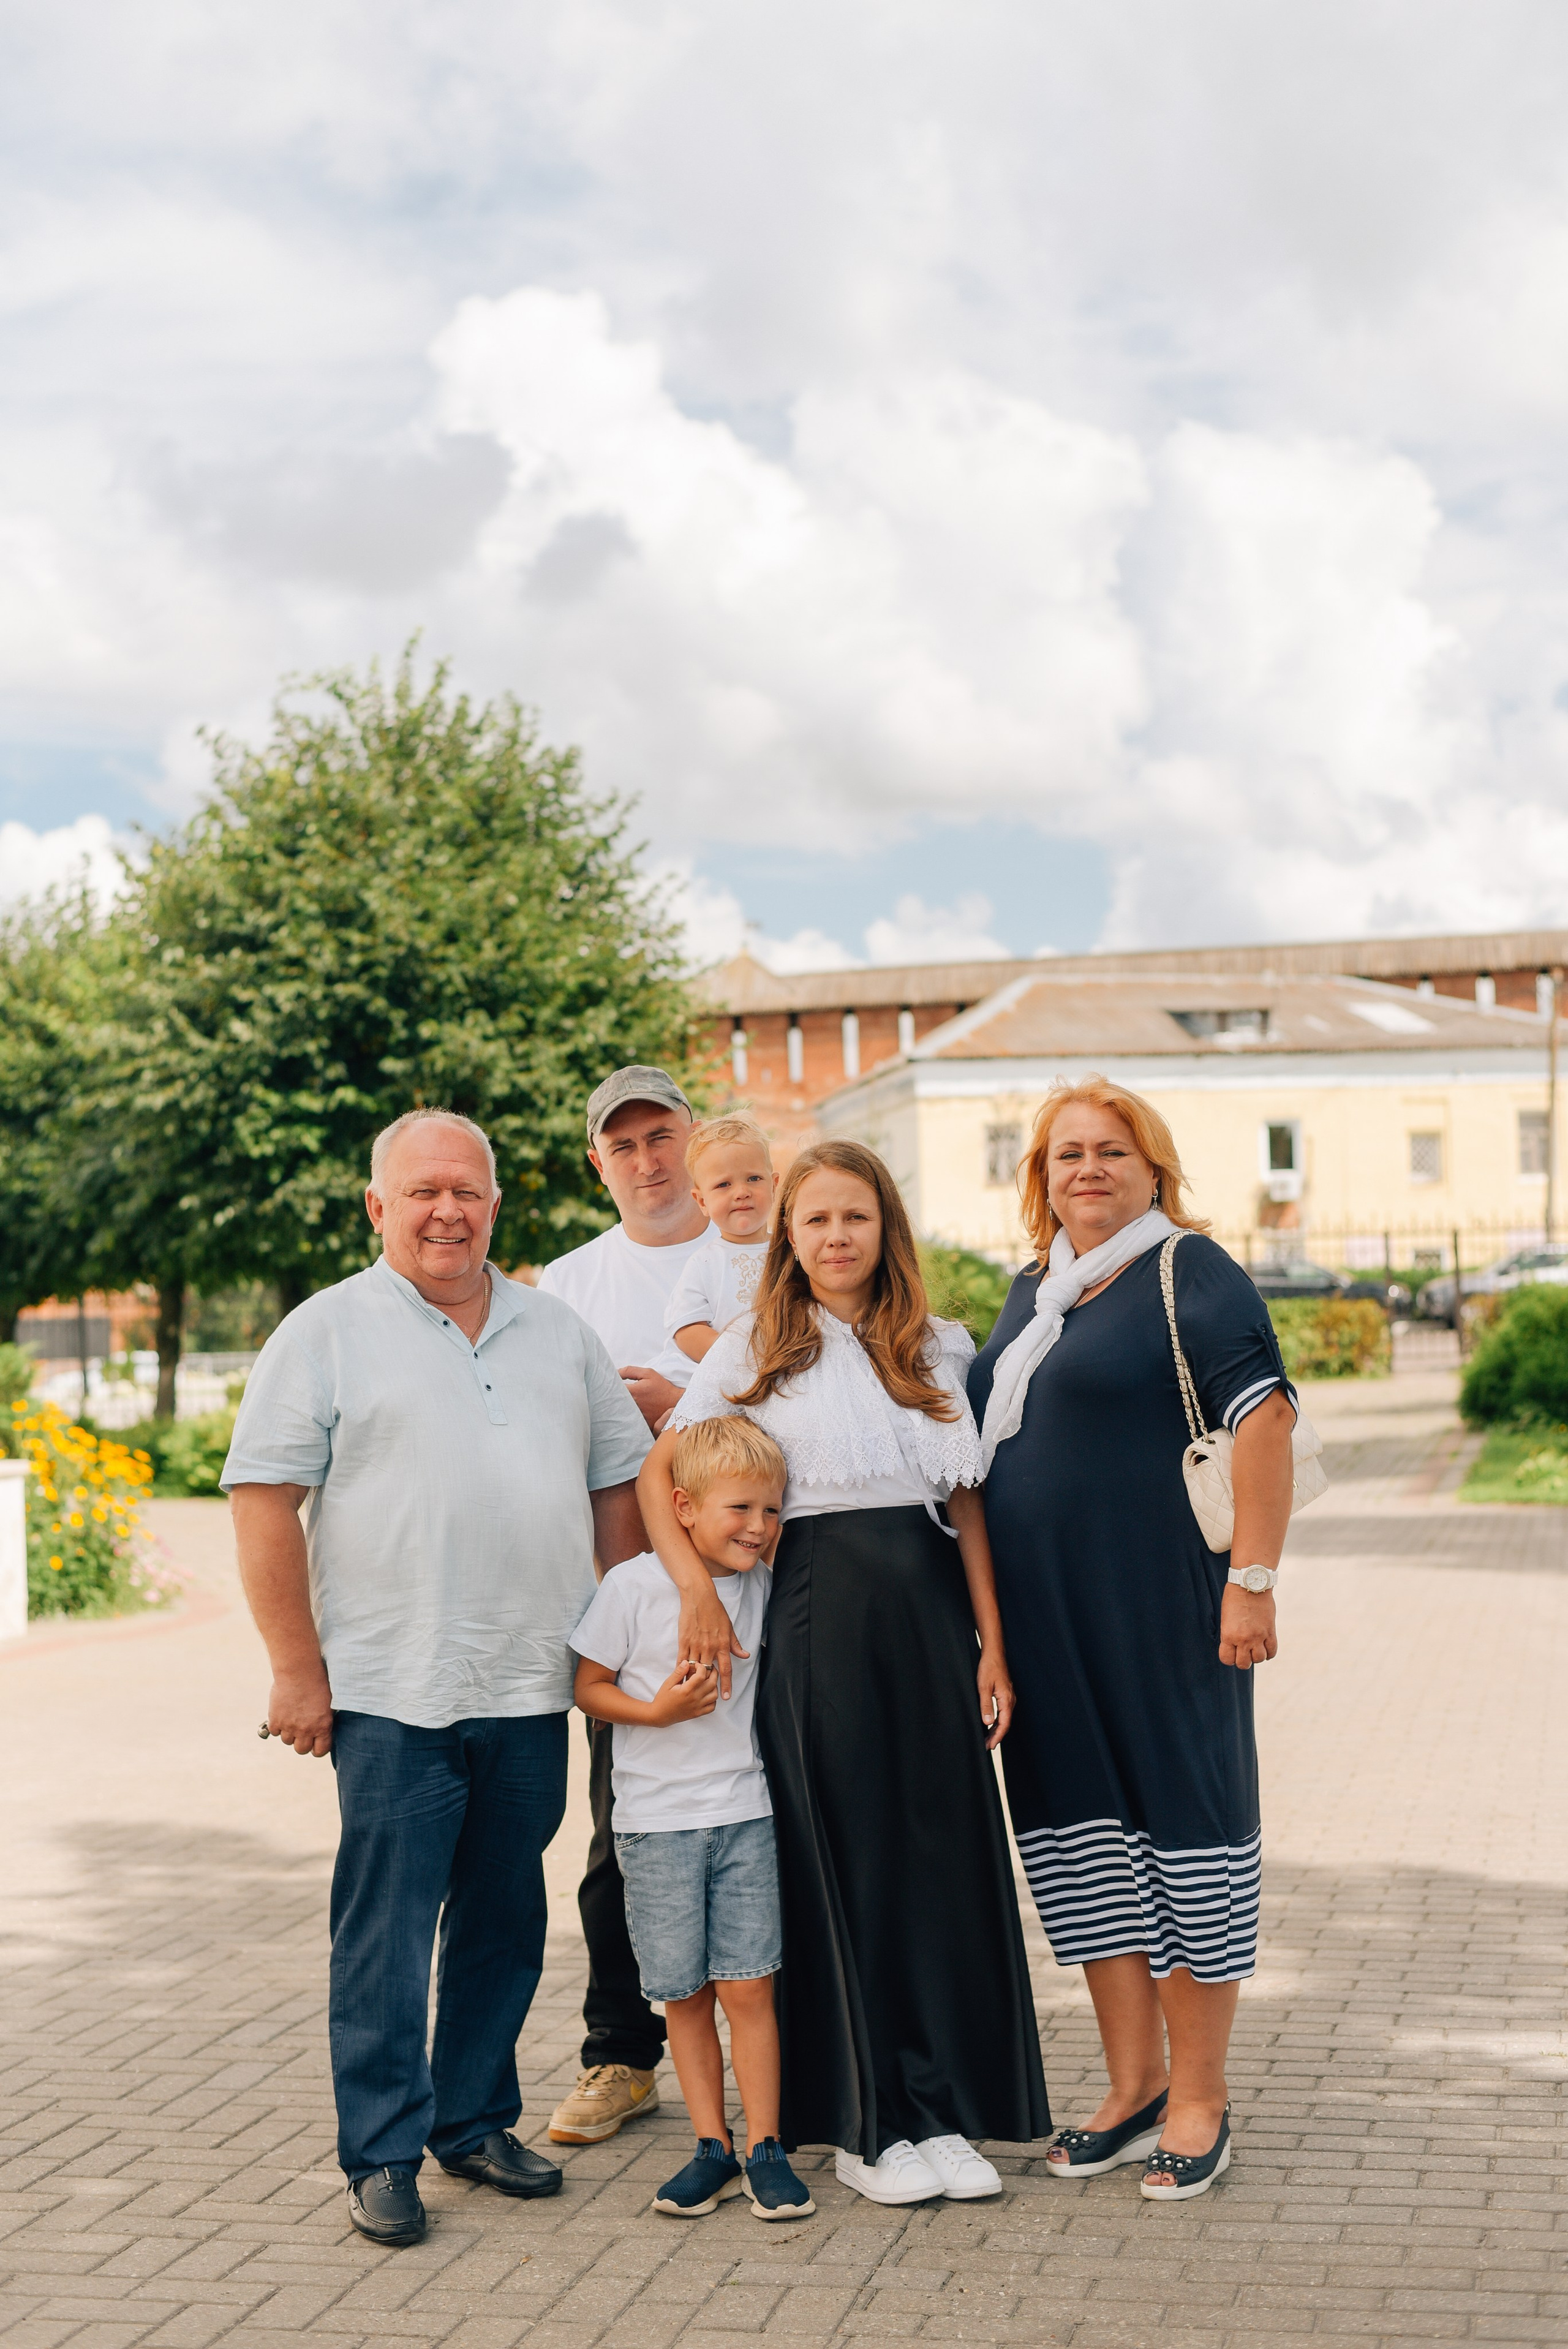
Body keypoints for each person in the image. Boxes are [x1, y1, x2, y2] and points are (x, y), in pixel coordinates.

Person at [222, 1109, 650, 2247]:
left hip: (529, 1682)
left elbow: (620, 1485)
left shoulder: (558, 1333)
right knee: (386, 1930)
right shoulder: (323, 1333)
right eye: (421, 1192)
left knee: (506, 1918)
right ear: (379, 1208)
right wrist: (293, 1668)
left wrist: (628, 1629)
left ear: (496, 1204)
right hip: (389, 1689)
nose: (446, 1210)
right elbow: (265, 1500)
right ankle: (380, 2151)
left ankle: (471, 2122)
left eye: (467, 1190)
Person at [639, 1139, 1051, 2205]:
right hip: (820, 1622)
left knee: (940, 1862)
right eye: (815, 1220)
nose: (836, 1238)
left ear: (886, 1229)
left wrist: (993, 1646)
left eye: (855, 1218)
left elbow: (966, 1510)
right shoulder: (753, 1347)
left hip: (930, 1626)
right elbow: (658, 1475)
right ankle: (868, 2124)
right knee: (853, 1862)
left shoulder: (937, 1344)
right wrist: (692, 1590)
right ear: (789, 1235)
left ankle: (940, 2108)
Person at [967, 1076, 1296, 2204]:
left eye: (1113, 1151)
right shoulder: (1032, 1292)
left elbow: (1265, 1420)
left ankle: (1200, 2097)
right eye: (1067, 1155)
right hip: (1045, 1632)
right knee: (1083, 1850)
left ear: (1154, 1169)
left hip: (1165, 1618)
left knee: (1186, 1836)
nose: (1089, 1170)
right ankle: (1132, 2084)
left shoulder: (1186, 1271)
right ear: (1040, 1178)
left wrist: (1250, 1582)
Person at [570, 1416, 815, 2222]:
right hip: (656, 1826)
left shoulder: (768, 1584)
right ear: (681, 1505)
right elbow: (589, 1686)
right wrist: (658, 1710)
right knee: (686, 1995)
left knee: (751, 1990)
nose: (759, 1526)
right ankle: (710, 2144)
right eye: (740, 1507)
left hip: (746, 1814)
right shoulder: (631, 1587)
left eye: (772, 1510)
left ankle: (766, 2146)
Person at [535, 1066, 710, 2147]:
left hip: (769, 1579)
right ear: (597, 1163)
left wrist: (683, 1406)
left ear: (694, 1138)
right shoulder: (567, 1282)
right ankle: (621, 2053)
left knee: (779, 1814)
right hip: (631, 1593)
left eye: (662, 1136)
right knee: (627, 1828)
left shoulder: (759, 1248)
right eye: (624, 1146)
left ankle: (814, 2051)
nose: (648, 1162)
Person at [653, 1115, 777, 1378]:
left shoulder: (792, 1250)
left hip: (789, 1370)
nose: (741, 1192)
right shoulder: (705, 1263)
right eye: (724, 1185)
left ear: (774, 1185)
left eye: (754, 1179)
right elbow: (687, 1328)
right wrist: (741, 1361)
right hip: (728, 1377)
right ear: (702, 1201)